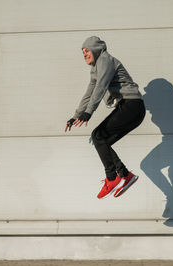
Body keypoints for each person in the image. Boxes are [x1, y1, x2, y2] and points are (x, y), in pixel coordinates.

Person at [64, 36, 145, 199]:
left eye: (87, 50)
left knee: (98, 136)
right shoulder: (96, 68)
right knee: (101, 140)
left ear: (95, 49)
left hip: (133, 105)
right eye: (83, 52)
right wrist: (77, 115)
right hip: (128, 107)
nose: (84, 54)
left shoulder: (105, 60)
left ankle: (112, 178)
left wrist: (89, 113)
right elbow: (90, 92)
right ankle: (124, 175)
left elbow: (100, 87)